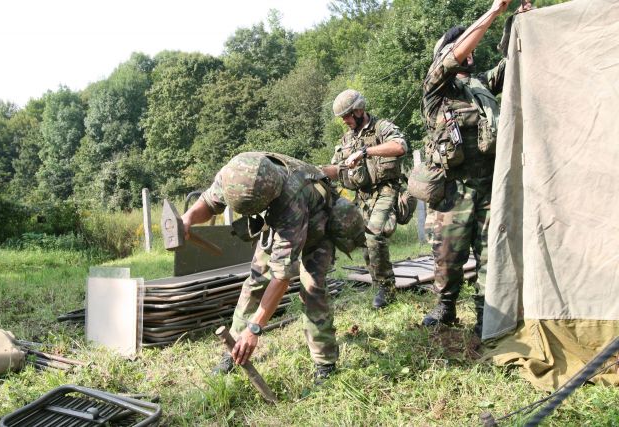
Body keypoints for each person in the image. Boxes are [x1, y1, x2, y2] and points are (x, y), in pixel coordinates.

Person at [181, 152, 364, 382]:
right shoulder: (236, 174)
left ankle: (324, 363)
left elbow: (281, 276)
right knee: (255, 281)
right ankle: (234, 348)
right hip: (277, 220)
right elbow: (209, 202)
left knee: (312, 289)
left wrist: (255, 328)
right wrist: (188, 218)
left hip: (316, 225)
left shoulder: (292, 198)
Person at [419, 0, 531, 336]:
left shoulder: (480, 85)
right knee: (447, 256)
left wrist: (521, 22)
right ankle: (446, 307)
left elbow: (513, 63)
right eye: (460, 46)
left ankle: (487, 313)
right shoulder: (435, 89)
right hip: (452, 191)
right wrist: (494, 11)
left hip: (488, 186)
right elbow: (452, 57)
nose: (469, 52)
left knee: (490, 253)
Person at [322, 89, 408, 309]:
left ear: (359, 110)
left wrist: (365, 152)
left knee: (374, 234)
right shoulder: (346, 139)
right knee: (363, 240)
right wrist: (319, 172)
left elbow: (400, 146)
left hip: (387, 189)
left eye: (347, 116)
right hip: (362, 196)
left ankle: (386, 288)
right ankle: (379, 283)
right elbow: (336, 168)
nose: (345, 121)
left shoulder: (381, 127)